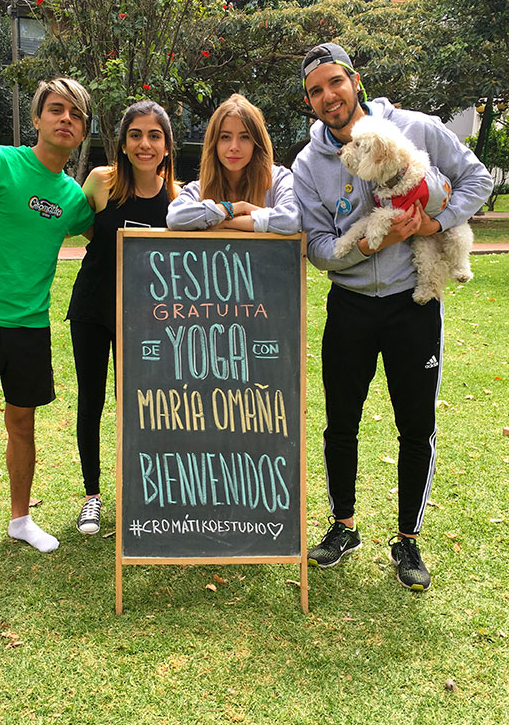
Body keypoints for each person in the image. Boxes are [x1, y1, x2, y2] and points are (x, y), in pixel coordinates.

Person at [293, 43, 493, 591]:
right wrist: (368, 249)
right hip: (351, 306)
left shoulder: (417, 129)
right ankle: (343, 527)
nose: (328, 96)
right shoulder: (309, 164)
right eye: (315, 90)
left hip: (414, 305)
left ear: (354, 81)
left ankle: (407, 539)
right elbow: (316, 246)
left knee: (416, 424)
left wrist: (437, 223)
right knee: (341, 423)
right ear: (309, 101)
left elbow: (477, 178)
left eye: (335, 82)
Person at [0, 77, 98, 578]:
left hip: (32, 327)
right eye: (56, 109)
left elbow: (109, 235)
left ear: (83, 129)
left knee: (22, 425)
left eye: (75, 114)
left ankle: (20, 519)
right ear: (37, 119)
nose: (65, 119)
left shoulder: (72, 197)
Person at [67, 100, 179, 535]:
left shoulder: (177, 194)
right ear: (123, 142)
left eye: (154, 136)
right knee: (91, 398)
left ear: (167, 146)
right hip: (94, 309)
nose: (144, 144)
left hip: (149, 319)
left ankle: (144, 491)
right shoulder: (101, 181)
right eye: (136, 135)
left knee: (144, 405)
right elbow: (86, 229)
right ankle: (92, 496)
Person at [166, 93, 299, 234]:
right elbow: (175, 217)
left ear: (257, 143)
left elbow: (291, 220)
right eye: (225, 137)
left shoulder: (279, 179)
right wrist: (237, 208)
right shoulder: (200, 188)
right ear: (214, 143)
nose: (234, 146)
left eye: (244, 137)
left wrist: (225, 224)